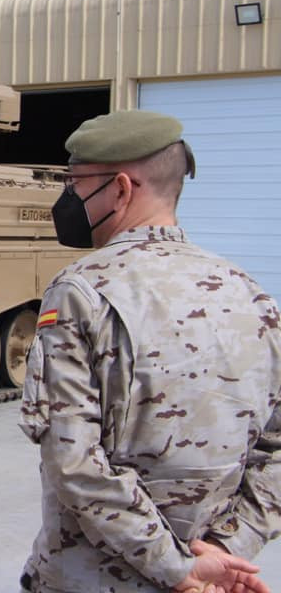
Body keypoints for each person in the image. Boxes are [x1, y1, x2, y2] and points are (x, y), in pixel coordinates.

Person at [19, 110, 280, 593]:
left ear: (120, 189)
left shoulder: (82, 292)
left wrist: (177, 570)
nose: (67, 197)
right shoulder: (253, 295)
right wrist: (225, 551)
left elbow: (75, 462)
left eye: (75, 182)